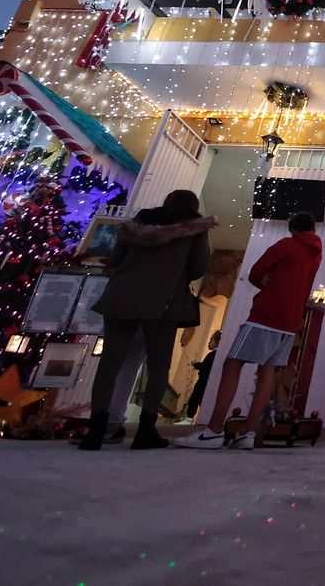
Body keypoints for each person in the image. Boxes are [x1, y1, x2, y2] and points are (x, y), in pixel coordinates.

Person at [79, 190, 216, 451]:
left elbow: (116, 259)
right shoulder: (195, 229)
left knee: (109, 364)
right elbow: (198, 268)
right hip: (162, 304)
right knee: (157, 367)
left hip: (122, 298)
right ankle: (145, 431)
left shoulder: (138, 223)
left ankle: (95, 431)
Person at [176, 211, 322, 450]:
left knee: (232, 363)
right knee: (268, 371)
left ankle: (213, 431)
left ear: (291, 228)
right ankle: (248, 432)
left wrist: (266, 281)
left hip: (267, 315)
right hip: (290, 322)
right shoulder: (316, 254)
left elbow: (255, 272)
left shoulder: (287, 245)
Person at [185, 330, 222, 420]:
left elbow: (204, 366)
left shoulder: (212, 355)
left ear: (217, 343)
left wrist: (195, 364)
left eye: (211, 341)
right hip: (211, 383)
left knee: (194, 399)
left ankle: (189, 417)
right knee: (203, 401)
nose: (208, 344)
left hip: (203, 382)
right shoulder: (220, 356)